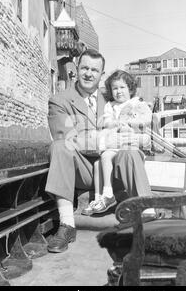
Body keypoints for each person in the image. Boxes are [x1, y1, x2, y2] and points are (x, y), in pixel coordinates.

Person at [45, 49, 153, 253]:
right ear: (76, 69)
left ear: (101, 74)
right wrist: (106, 140)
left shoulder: (115, 96)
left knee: (130, 151)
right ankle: (67, 225)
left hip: (115, 171)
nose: (89, 74)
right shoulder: (60, 101)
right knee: (59, 146)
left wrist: (139, 139)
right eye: (84, 68)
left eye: (94, 70)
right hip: (83, 170)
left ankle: (147, 217)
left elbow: (144, 129)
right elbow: (68, 137)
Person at [82, 70, 152, 216]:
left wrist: (129, 123)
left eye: (122, 87)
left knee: (128, 154)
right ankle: (104, 195)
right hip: (115, 143)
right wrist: (114, 123)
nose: (119, 91)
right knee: (101, 160)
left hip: (130, 142)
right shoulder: (110, 106)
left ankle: (143, 204)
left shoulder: (137, 103)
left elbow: (146, 120)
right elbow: (106, 121)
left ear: (130, 89)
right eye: (115, 88)